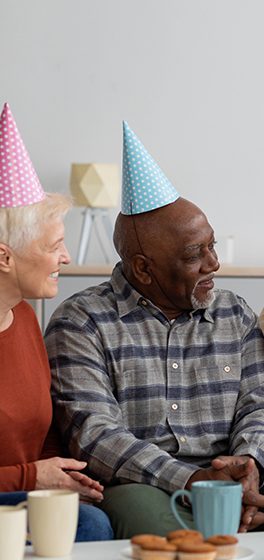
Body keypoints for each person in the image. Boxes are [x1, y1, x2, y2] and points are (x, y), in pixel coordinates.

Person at [45, 122, 264, 538]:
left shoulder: (232, 312)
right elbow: (95, 436)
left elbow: (261, 406)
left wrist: (248, 470)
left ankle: (243, 523)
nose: (214, 264)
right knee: (129, 503)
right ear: (143, 268)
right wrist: (193, 483)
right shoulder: (81, 322)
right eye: (196, 255)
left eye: (212, 245)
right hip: (153, 489)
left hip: (234, 479)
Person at [0, 102, 113, 541]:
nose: (65, 258)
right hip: (16, 492)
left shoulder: (26, 319)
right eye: (55, 246)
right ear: (4, 257)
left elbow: (42, 430)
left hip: (24, 493)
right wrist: (33, 477)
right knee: (88, 527)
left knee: (86, 515)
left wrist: (63, 478)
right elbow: (31, 467)